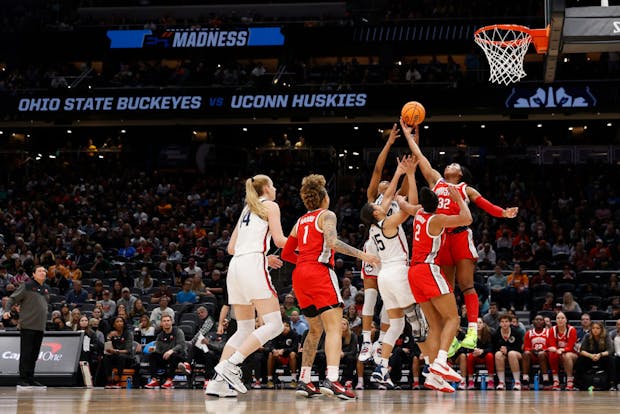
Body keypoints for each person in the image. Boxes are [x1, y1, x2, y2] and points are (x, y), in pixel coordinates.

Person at [401, 120, 518, 352]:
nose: (451, 164)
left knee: (466, 285)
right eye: (450, 163)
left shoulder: (465, 188)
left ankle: (473, 330)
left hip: (461, 236)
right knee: (446, 290)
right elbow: (420, 156)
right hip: (441, 238)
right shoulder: (436, 180)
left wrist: (503, 212)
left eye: (456, 164)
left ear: (460, 173)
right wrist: (409, 136)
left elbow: (485, 204)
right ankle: (452, 336)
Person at [281, 173, 380, 400]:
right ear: (324, 197)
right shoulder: (327, 215)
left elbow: (287, 253)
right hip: (319, 272)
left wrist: (305, 264)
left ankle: (304, 380)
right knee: (335, 327)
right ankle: (333, 379)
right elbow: (332, 242)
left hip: (300, 275)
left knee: (314, 330)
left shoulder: (300, 221)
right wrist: (363, 255)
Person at [208, 174, 289, 398]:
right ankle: (231, 365)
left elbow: (232, 248)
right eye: (273, 185)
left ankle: (217, 383)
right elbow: (281, 241)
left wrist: (263, 258)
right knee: (274, 325)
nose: (275, 188)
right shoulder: (271, 206)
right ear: (265, 188)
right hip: (252, 265)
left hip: (235, 268)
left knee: (244, 329)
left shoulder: (246, 210)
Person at [359, 155, 427, 388]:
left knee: (397, 325)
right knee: (417, 320)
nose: (382, 202)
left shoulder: (376, 223)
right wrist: (409, 176)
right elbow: (409, 209)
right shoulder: (388, 223)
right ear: (377, 212)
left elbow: (387, 197)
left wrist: (399, 172)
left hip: (384, 276)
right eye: (378, 206)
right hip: (397, 273)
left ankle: (381, 368)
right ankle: (432, 365)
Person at [407, 185, 473, 393]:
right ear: (437, 205)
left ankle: (434, 376)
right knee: (453, 318)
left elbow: (404, 203)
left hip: (413, 272)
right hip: (428, 269)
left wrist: (406, 182)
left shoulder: (418, 213)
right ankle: (441, 361)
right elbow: (467, 219)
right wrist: (459, 199)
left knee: (434, 326)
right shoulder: (436, 219)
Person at [358, 124, 402, 364]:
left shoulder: (399, 197)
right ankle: (366, 339)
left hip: (392, 253)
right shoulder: (372, 198)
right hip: (374, 248)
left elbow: (409, 175)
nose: (385, 182)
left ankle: (381, 341)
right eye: (383, 182)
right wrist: (389, 143)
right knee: (370, 297)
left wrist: (414, 141)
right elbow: (377, 168)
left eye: (389, 182)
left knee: (390, 300)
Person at [2, 266, 49, 388]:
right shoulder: (27, 285)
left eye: (44, 271)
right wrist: (6, 310)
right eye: (40, 271)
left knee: (34, 355)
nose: (43, 272)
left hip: (40, 327)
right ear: (33, 274)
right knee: (26, 353)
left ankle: (30, 378)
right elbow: (12, 298)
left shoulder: (45, 289)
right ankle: (22, 379)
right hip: (28, 325)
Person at [145, 315, 191, 389]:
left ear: (172, 322)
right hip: (166, 356)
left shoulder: (178, 331)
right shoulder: (160, 335)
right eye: (164, 321)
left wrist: (171, 350)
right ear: (161, 323)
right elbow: (159, 350)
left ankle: (169, 380)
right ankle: (154, 380)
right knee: (152, 355)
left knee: (173, 355)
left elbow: (181, 345)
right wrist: (154, 350)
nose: (166, 323)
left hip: (179, 355)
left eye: (168, 321)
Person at [574, 321, 614, 390]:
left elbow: (610, 350)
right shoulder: (587, 336)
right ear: (591, 329)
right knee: (580, 359)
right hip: (590, 358)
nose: (595, 330)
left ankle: (611, 384)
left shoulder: (606, 336)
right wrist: (590, 356)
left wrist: (600, 355)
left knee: (611, 359)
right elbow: (582, 350)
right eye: (593, 328)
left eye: (597, 328)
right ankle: (578, 384)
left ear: (601, 329)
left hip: (602, 358)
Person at [547, 311, 578, 390]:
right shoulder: (552, 330)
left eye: (562, 318)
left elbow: (570, 347)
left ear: (566, 320)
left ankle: (570, 381)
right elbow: (552, 344)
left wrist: (562, 350)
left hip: (572, 354)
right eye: (558, 318)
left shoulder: (572, 330)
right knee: (552, 353)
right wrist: (556, 349)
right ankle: (556, 380)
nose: (560, 320)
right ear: (556, 320)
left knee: (566, 355)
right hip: (558, 353)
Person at [492, 314, 524, 390]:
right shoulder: (496, 334)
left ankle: (517, 382)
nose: (504, 323)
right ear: (499, 323)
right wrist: (500, 350)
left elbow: (519, 348)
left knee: (511, 354)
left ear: (510, 323)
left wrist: (508, 349)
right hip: (502, 356)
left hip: (517, 354)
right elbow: (493, 348)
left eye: (506, 321)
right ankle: (501, 382)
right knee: (498, 354)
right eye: (502, 322)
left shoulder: (516, 332)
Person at [265, 320, 300, 389]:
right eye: (283, 326)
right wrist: (274, 350)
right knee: (271, 354)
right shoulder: (276, 334)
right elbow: (271, 345)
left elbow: (295, 348)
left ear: (290, 327)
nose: (285, 328)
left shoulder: (294, 334)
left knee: (292, 354)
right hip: (278, 357)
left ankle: (294, 380)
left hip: (290, 357)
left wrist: (284, 350)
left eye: (287, 326)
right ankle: (269, 379)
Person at [103, 316, 134, 389]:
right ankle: (110, 380)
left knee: (121, 357)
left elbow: (128, 350)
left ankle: (118, 381)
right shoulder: (111, 333)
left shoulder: (128, 334)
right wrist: (109, 337)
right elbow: (107, 349)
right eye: (117, 322)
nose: (120, 323)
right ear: (113, 325)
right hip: (114, 355)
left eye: (121, 321)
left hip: (126, 357)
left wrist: (116, 351)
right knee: (106, 357)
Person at [521, 314, 550, 390]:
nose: (539, 321)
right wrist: (532, 350)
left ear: (544, 322)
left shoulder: (548, 332)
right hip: (533, 355)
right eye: (537, 320)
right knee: (526, 353)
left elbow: (551, 346)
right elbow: (526, 347)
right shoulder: (529, 333)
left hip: (545, 355)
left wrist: (544, 349)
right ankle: (525, 380)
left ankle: (545, 380)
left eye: (540, 320)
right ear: (533, 322)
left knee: (541, 354)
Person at [466, 318, 495, 389]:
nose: (478, 325)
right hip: (475, 356)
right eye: (476, 323)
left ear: (484, 325)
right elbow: (466, 347)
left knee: (490, 356)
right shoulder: (469, 334)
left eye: (480, 323)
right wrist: (473, 350)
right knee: (470, 356)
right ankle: (470, 381)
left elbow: (491, 348)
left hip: (485, 355)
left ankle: (491, 381)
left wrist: (482, 351)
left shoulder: (489, 333)